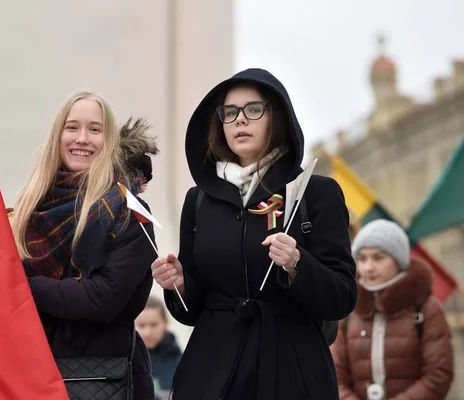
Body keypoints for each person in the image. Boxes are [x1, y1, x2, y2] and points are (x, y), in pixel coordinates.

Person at [151, 68, 358, 399]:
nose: (239, 121)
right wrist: (177, 283)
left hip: (291, 372)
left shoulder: (316, 192)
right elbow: (191, 311)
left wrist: (297, 264)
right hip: (212, 375)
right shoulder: (199, 199)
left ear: (277, 118)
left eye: (253, 110)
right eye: (229, 112)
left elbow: (343, 296)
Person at [9, 92, 159, 398]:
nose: (82, 139)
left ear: (110, 141)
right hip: (30, 376)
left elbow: (101, 298)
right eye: (72, 127)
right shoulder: (26, 210)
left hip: (103, 379)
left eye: (95, 129)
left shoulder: (129, 209)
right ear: (57, 136)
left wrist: (20, 287)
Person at [331, 219, 454, 400]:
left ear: (399, 260)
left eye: (378, 257)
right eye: (362, 258)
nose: (368, 267)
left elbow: (438, 375)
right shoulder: (349, 307)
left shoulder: (426, 308)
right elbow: (335, 374)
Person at [136, 296, 182, 393]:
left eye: (153, 325)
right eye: (141, 325)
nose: (147, 332)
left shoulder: (182, 363)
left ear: (165, 323)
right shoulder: (125, 361)